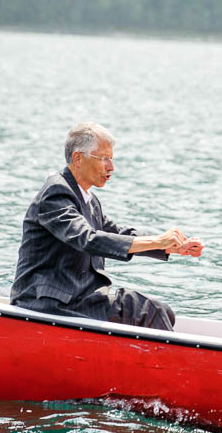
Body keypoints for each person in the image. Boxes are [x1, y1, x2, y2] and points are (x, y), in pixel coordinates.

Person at [11, 122, 204, 331]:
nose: (111, 167)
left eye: (111, 159)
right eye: (104, 159)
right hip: (47, 303)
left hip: (79, 298)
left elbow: (116, 233)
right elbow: (88, 238)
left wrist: (169, 246)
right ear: (78, 158)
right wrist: (157, 241)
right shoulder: (56, 192)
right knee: (149, 311)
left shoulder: (88, 199)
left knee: (163, 311)